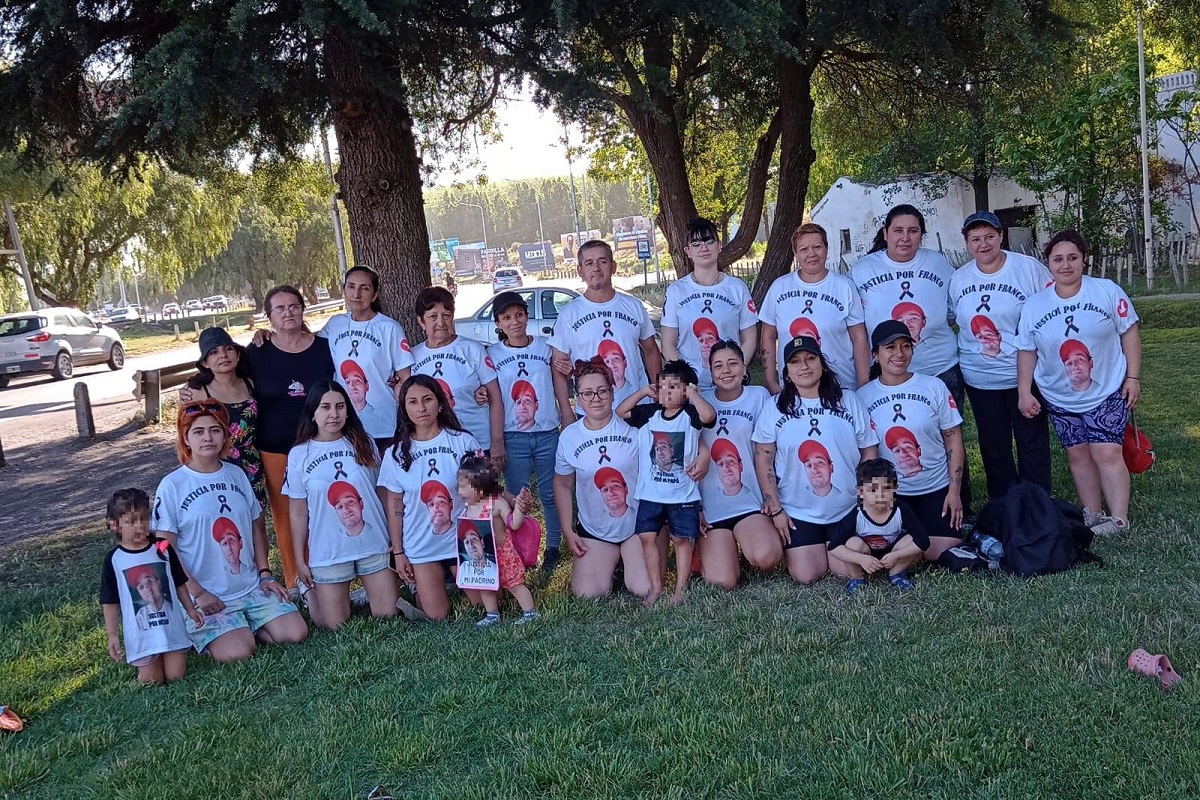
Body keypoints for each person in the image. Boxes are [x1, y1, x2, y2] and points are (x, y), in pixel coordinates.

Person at [181, 286, 335, 592]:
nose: (288, 313)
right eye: (280, 308)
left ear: (303, 310)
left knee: (325, 509)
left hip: (319, 444)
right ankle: (295, 581)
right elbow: (216, 377)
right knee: (281, 517)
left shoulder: (325, 347)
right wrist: (192, 386)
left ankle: (332, 572)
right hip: (272, 451)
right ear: (270, 316)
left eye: (294, 306)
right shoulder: (258, 354)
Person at [151, 400, 308, 663]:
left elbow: (256, 528)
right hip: (207, 594)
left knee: (296, 633)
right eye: (198, 432)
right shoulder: (172, 485)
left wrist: (265, 574)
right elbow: (164, 546)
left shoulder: (236, 475)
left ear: (225, 435)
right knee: (239, 652)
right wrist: (198, 592)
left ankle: (246, 625)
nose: (207, 437)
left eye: (215, 430)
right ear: (186, 439)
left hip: (249, 587)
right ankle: (227, 630)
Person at [1017, 230, 1142, 535]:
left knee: (1107, 452)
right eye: (1058, 259)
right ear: (1048, 263)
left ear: (1084, 260)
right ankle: (1093, 514)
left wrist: (1133, 377)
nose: (1065, 265)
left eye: (1072, 257)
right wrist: (1023, 390)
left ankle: (1119, 518)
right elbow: (1026, 349)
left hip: (1106, 388)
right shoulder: (1035, 305)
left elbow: (1129, 332)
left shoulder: (1106, 291)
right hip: (1059, 396)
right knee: (1078, 453)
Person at [851, 205, 971, 512]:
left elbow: (957, 308)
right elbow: (857, 327)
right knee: (887, 438)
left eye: (913, 231)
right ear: (885, 233)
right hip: (885, 373)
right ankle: (889, 506)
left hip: (939, 367)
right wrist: (865, 374)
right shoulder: (863, 270)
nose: (905, 238)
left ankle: (959, 503)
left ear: (922, 235)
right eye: (898, 231)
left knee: (947, 436)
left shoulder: (939, 264)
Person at [752, 335, 878, 584]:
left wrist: (867, 500)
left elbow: (869, 451)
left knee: (845, 570)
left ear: (822, 363)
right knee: (806, 575)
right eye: (795, 362)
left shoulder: (848, 400)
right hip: (799, 511)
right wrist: (776, 510)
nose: (804, 366)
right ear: (786, 372)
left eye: (811, 358)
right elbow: (764, 458)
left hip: (846, 509)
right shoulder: (773, 407)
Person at [949, 210, 1054, 499]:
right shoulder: (958, 278)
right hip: (980, 379)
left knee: (1031, 441)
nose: (983, 244)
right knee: (994, 444)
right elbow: (950, 317)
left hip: (1023, 374)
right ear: (967, 244)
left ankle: (1037, 502)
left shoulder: (1027, 269)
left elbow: (1050, 307)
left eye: (989, 237)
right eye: (975, 239)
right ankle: (1004, 504)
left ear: (1001, 236)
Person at [285, 381, 398, 630]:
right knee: (335, 624)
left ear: (348, 410)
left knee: (388, 613)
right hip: (329, 550)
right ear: (312, 413)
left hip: (373, 543)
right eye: (325, 407)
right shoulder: (299, 455)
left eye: (339, 406)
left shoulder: (363, 443)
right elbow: (298, 510)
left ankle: (367, 588)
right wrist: (300, 561)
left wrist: (393, 536)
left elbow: (381, 492)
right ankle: (310, 594)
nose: (333, 414)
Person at [858, 321, 966, 559]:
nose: (899, 354)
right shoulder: (863, 397)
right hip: (892, 495)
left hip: (935, 488)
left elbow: (954, 439)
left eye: (905, 346)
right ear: (875, 354)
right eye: (890, 347)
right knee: (896, 551)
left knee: (940, 553)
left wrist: (954, 491)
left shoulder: (933, 386)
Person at [377, 375, 481, 621]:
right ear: (404, 408)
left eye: (427, 400)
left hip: (461, 540)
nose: (421, 408)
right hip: (421, 545)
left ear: (440, 403)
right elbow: (394, 505)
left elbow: (484, 493)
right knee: (437, 615)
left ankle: (458, 578)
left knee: (484, 603)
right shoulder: (395, 454)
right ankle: (419, 587)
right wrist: (399, 553)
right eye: (412, 402)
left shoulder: (462, 441)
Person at [487, 292, 574, 575]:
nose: (515, 322)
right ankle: (521, 549)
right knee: (518, 497)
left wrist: (565, 414)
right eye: (507, 318)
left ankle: (552, 547)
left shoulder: (546, 348)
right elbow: (489, 391)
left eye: (519, 315)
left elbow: (559, 384)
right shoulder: (492, 355)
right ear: (499, 323)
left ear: (527, 316)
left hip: (548, 433)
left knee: (550, 494)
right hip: (514, 436)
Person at [617, 359, 715, 605]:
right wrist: (642, 392)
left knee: (681, 539)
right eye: (663, 386)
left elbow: (709, 416)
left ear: (686, 390)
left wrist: (694, 395)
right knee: (646, 537)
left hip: (682, 494)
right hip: (651, 493)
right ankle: (656, 586)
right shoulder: (650, 414)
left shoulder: (691, 415)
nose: (667, 392)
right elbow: (622, 412)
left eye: (674, 387)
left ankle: (680, 588)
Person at [554, 358, 652, 598]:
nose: (595, 398)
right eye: (587, 393)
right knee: (587, 593)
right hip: (595, 529)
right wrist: (568, 530)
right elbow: (563, 484)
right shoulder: (569, 437)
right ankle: (611, 562)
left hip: (636, 526)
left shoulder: (634, 428)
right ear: (577, 397)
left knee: (644, 588)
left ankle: (630, 560)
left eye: (601, 391)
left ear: (612, 392)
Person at [698, 340, 783, 589]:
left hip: (750, 503)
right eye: (718, 366)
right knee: (723, 581)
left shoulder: (759, 397)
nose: (726, 370)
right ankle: (710, 552)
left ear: (744, 368)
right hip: (712, 509)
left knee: (767, 557)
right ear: (710, 372)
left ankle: (747, 542)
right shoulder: (698, 402)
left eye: (733, 363)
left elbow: (769, 451)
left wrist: (771, 497)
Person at [100, 488, 202, 684]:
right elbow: (109, 600)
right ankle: (147, 668)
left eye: (143, 519)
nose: (139, 526)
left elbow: (179, 581)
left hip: (171, 627)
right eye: (130, 521)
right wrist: (112, 635)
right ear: (114, 525)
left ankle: (169, 656)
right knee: (152, 681)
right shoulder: (114, 559)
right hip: (141, 635)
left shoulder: (162, 548)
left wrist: (190, 609)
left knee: (176, 676)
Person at [550, 239, 663, 409]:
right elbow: (558, 366)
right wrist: (566, 411)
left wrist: (658, 393)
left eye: (602, 261)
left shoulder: (633, 306)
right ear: (580, 271)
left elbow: (651, 350)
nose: (596, 268)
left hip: (638, 406)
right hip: (592, 411)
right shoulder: (569, 314)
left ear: (613, 266)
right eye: (589, 263)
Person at [760, 223, 869, 392]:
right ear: (795, 253)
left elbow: (859, 338)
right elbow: (767, 336)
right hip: (793, 388)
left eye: (817, 247)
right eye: (803, 249)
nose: (811, 254)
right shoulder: (779, 287)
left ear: (826, 248)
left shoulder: (844, 287)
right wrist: (771, 381)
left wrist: (863, 382)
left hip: (840, 385)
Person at [318, 265, 414, 451]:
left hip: (383, 427)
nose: (357, 294)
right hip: (345, 426)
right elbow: (305, 344)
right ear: (344, 289)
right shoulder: (335, 324)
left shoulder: (389, 328)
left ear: (375, 294)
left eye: (365, 288)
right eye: (351, 286)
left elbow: (405, 378)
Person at [409, 287, 505, 467]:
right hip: (436, 447)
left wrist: (497, 442)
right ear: (421, 322)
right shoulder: (412, 357)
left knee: (482, 494)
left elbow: (495, 399)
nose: (441, 322)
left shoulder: (472, 349)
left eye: (446, 315)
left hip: (476, 442)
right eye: (432, 317)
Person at [661, 218, 758, 390]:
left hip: (730, 384)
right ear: (687, 251)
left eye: (709, 241)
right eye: (696, 244)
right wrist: (685, 380)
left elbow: (749, 337)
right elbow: (668, 344)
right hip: (692, 387)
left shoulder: (737, 288)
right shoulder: (676, 291)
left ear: (719, 245)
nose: (703, 248)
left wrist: (738, 370)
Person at [455, 454, 539, 627]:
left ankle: (530, 612)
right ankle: (492, 614)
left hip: (503, 552)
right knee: (485, 585)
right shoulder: (469, 507)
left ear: (480, 486)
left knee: (514, 583)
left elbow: (513, 524)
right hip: (485, 555)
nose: (459, 491)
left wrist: (520, 509)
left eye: (464, 486)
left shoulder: (496, 503)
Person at [183, 327, 265, 503]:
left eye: (228, 348)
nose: (223, 355)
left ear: (238, 354)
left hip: (251, 462)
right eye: (213, 352)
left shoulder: (249, 383)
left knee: (255, 519)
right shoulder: (198, 393)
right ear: (205, 362)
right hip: (217, 464)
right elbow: (188, 436)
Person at [827, 459, 930, 595]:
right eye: (873, 490)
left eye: (886, 489)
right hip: (867, 554)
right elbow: (833, 547)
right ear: (860, 491)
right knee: (852, 543)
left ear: (895, 488)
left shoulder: (900, 510)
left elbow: (924, 541)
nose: (880, 495)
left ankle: (896, 574)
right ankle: (856, 578)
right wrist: (861, 559)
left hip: (893, 553)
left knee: (912, 540)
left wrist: (896, 555)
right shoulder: (857, 514)